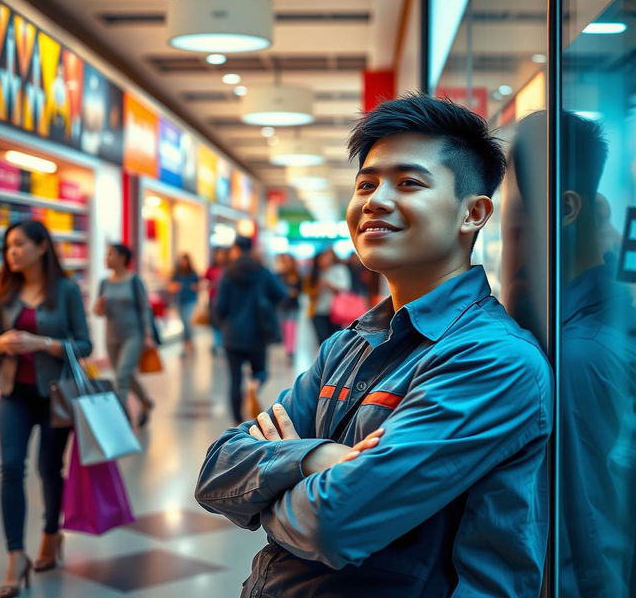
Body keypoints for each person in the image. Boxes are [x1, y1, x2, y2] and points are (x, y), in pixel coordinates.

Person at [195, 94, 553, 597]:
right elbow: (215, 472)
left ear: (473, 213)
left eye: (408, 182)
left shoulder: (490, 359)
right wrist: (319, 459)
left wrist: (275, 472)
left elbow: (330, 524)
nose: (375, 200)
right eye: (366, 183)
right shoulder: (350, 342)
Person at [507, 111, 636, 597]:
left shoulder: (578, 354)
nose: (506, 228)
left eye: (518, 208)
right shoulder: (565, 327)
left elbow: (583, 527)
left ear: (567, 209)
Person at [0, 220, 92, 597]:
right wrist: (2, 343)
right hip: (14, 394)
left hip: (56, 395)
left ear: (41, 247)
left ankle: (51, 534)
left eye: (19, 244)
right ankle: (16, 555)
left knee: (49, 468)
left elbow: (84, 345)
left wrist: (41, 342)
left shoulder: (66, 291)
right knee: (10, 467)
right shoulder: (4, 291)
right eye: (8, 247)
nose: (12, 252)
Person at [215, 236, 286, 424]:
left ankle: (237, 420)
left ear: (235, 249)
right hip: (258, 332)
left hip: (233, 334)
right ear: (251, 249)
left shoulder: (227, 274)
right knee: (261, 371)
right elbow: (281, 294)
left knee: (235, 378)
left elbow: (219, 306)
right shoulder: (262, 272)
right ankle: (254, 385)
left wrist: (223, 323)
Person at [93, 243, 155, 427]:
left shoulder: (134, 281)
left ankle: (123, 419)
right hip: (111, 337)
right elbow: (99, 312)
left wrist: (147, 335)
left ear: (122, 258)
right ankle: (145, 401)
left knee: (121, 377)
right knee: (124, 375)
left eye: (110, 254)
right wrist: (97, 309)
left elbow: (144, 309)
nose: (106, 258)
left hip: (133, 336)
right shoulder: (104, 283)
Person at [309, 248, 351, 346]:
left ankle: (334, 360)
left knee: (335, 339)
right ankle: (324, 360)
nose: (324, 260)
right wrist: (316, 289)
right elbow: (307, 291)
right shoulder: (315, 272)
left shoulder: (340, 269)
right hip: (318, 309)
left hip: (336, 310)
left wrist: (328, 284)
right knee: (322, 338)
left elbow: (345, 287)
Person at [169, 253, 199, 354]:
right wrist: (175, 287)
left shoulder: (193, 273)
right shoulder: (176, 273)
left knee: (187, 322)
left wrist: (195, 287)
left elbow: (198, 285)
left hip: (190, 300)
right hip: (179, 300)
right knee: (184, 323)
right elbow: (170, 286)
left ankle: (186, 344)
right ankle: (189, 342)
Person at [276, 253, 302, 363]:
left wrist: (294, 291)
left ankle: (290, 351)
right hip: (281, 306)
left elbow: (300, 289)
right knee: (283, 329)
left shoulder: (296, 275)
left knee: (290, 328)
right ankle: (288, 349)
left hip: (292, 306)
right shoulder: (277, 275)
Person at [204, 247, 228, 355]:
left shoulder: (228, 268)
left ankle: (222, 342)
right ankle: (216, 342)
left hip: (225, 298)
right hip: (213, 298)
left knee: (223, 321)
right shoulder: (211, 268)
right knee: (214, 321)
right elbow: (205, 281)